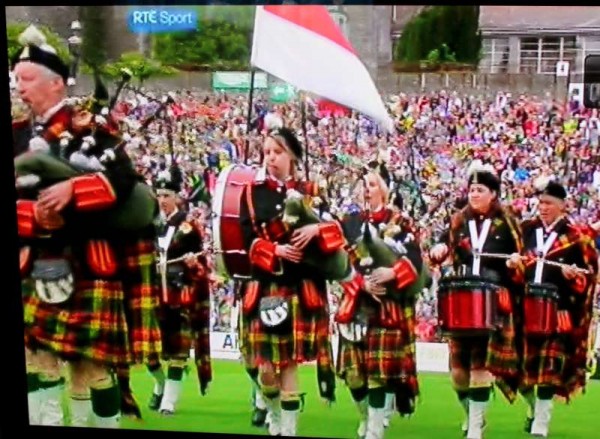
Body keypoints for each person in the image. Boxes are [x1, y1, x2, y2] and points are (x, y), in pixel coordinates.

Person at [13, 24, 162, 428]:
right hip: (34, 260)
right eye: (15, 80)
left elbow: (124, 182)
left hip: (89, 262)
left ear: (56, 83)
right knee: (34, 357)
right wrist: (36, 216)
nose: (19, 88)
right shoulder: (17, 135)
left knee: (90, 369)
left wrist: (71, 193)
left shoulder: (91, 128)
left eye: (26, 79)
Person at [238, 123, 343, 436]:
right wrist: (276, 249)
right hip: (266, 284)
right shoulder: (251, 192)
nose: (270, 157)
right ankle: (271, 409)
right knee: (266, 371)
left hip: (300, 287)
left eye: (277, 152)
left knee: (290, 364)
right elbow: (246, 238)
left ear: (292, 156)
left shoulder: (312, 192)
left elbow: (336, 235)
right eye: (267, 152)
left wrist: (317, 229)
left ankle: (289, 429)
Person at [429, 161, 523, 439]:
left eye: (480, 190)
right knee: (458, 375)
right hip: (461, 301)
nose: (474, 194)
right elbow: (443, 245)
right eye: (471, 189)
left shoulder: (507, 221)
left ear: (493, 193)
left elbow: (523, 258)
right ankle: (472, 414)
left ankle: (475, 427)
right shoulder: (459, 220)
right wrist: (439, 248)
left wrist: (517, 262)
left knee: (481, 368)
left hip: (493, 301)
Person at [335, 168, 424, 439]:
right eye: (363, 184)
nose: (367, 189)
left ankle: (374, 431)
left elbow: (416, 260)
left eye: (372, 184)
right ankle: (365, 417)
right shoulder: (348, 222)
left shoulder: (400, 221)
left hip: (388, 306)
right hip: (355, 303)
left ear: (383, 189)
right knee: (353, 376)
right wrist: (360, 283)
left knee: (378, 375)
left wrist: (392, 273)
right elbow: (337, 261)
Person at [506, 178, 598, 437]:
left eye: (548, 203)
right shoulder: (525, 230)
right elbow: (514, 272)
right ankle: (533, 407)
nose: (543, 208)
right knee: (515, 369)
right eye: (540, 203)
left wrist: (575, 278)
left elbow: (590, 276)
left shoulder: (576, 237)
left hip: (558, 311)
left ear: (562, 205)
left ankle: (540, 426)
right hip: (525, 307)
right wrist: (513, 265)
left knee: (547, 372)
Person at [145, 165, 212, 415]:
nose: (162, 200)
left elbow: (202, 266)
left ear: (177, 196)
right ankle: (160, 383)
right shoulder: (146, 224)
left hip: (178, 295)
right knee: (149, 353)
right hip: (152, 295)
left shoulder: (189, 227)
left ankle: (169, 402)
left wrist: (194, 265)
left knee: (178, 352)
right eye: (159, 195)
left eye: (167, 196)